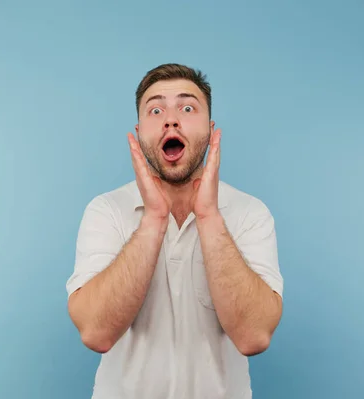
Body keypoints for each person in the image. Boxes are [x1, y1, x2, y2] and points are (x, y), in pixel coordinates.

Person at [66, 63, 284, 399]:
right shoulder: (105, 211)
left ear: (211, 131)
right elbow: (96, 333)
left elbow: (254, 336)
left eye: (187, 107)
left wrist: (209, 216)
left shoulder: (250, 214)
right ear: (139, 132)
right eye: (156, 109)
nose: (171, 119)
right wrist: (154, 218)